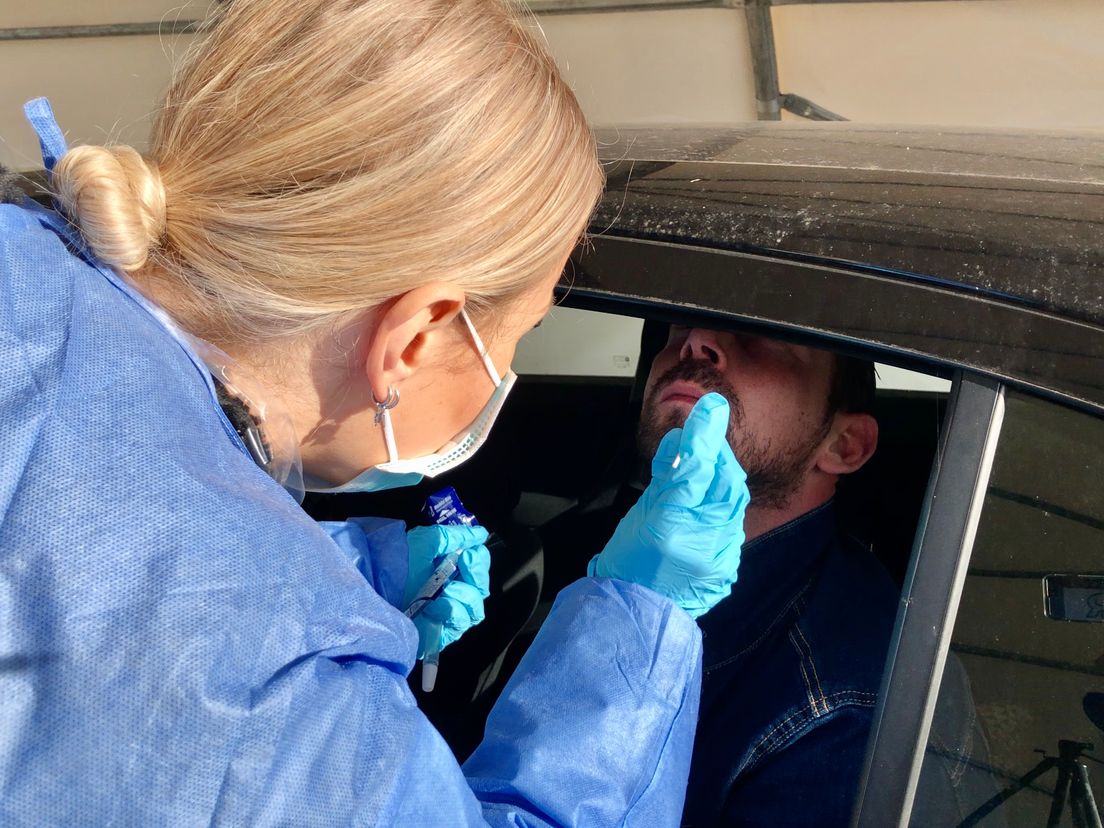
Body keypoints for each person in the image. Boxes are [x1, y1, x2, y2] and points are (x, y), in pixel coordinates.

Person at [0, 2, 748, 824]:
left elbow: (90, 542)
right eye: (521, 334)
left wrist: (348, 571)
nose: (508, 373)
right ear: (416, 336)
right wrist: (643, 621)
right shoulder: (288, 703)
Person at [542, 324, 897, 826]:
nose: (695, 340)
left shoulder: (834, 715)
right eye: (679, 325)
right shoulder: (620, 535)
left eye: (766, 334)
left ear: (843, 445)